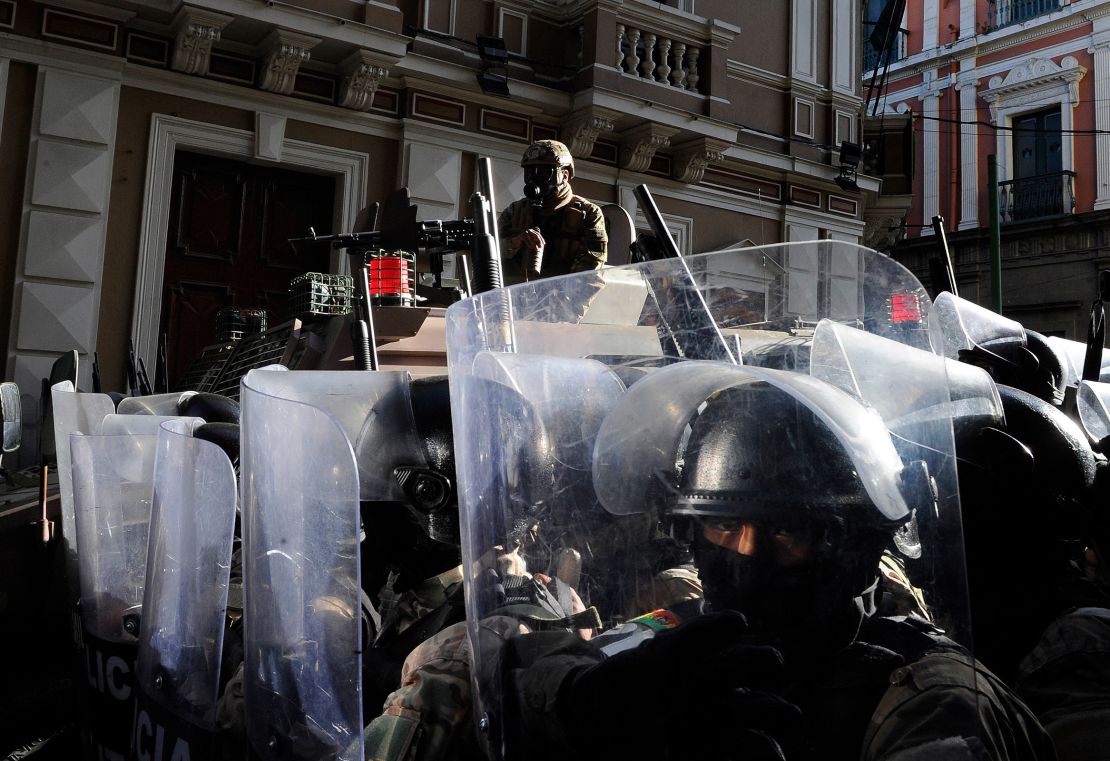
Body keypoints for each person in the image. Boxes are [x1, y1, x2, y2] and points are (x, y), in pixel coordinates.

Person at [495, 365, 1055, 761]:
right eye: (723, 525)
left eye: (788, 531)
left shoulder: (933, 699)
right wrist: (587, 707)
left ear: (856, 546)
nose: (747, 556)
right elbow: (519, 679)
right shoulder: (675, 636)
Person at [498, 140, 607, 287]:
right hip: (512, 301)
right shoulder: (515, 211)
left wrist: (562, 308)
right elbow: (490, 256)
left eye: (545, 172)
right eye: (530, 172)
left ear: (565, 175)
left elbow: (589, 276)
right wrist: (515, 242)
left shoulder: (588, 213)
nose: (535, 179)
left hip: (558, 302)